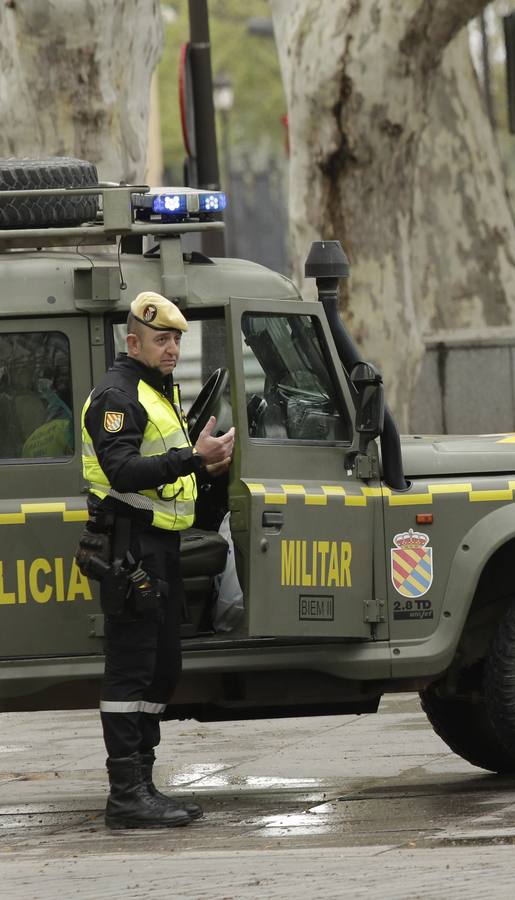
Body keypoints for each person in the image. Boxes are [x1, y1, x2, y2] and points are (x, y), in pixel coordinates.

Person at [80, 292, 234, 828]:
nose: (171, 349)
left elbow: (160, 469)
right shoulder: (118, 396)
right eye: (161, 339)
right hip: (130, 549)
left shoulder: (154, 390)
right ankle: (126, 795)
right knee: (130, 671)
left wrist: (205, 468)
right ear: (133, 342)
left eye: (175, 340)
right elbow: (123, 471)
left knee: (161, 668)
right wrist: (195, 455)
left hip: (159, 549)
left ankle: (143, 784)